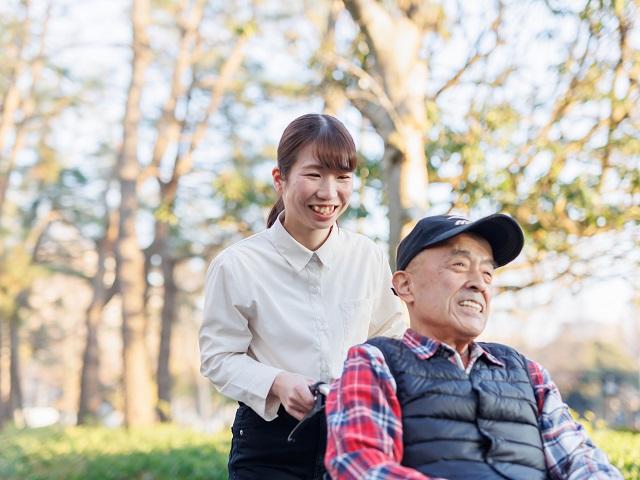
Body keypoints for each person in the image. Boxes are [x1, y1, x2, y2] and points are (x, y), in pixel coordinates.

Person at [325, 213, 622, 479]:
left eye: (487, 273)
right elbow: (360, 464)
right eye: (459, 265)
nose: (479, 283)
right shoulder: (374, 362)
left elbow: (582, 461)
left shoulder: (528, 373)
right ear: (405, 286)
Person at [199, 113, 407, 479]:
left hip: (356, 434)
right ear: (280, 179)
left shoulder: (367, 256)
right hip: (271, 443)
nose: (329, 193)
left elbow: (391, 335)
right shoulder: (237, 265)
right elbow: (218, 357)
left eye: (343, 177)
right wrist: (278, 382)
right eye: (314, 175)